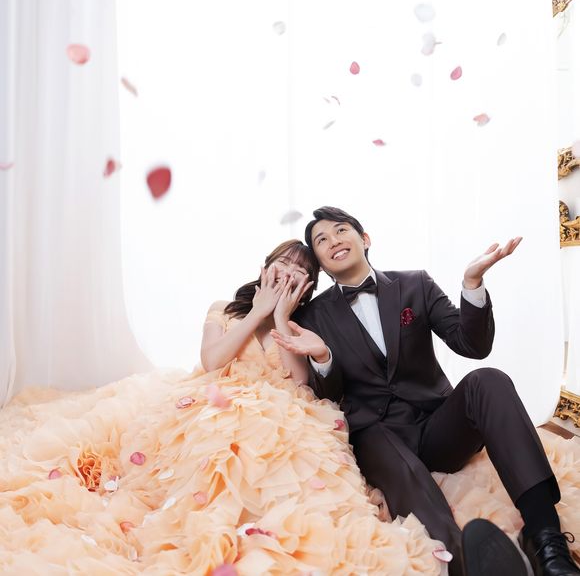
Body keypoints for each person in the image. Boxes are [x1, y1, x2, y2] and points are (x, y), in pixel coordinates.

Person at [0, 239, 453, 574]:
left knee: (286, 463)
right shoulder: (225, 308)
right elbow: (213, 360)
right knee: (215, 455)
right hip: (217, 400)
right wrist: (258, 311)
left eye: (299, 272)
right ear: (264, 268)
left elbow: (301, 384)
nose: (288, 272)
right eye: (282, 263)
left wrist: (281, 319)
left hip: (279, 411)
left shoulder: (304, 323)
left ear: (308, 287)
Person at [272, 207, 580, 576]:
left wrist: (472, 284)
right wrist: (323, 357)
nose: (333, 241)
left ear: (364, 239)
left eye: (340, 230)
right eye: (321, 240)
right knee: (381, 445)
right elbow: (327, 397)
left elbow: (472, 345)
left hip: (438, 429)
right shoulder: (313, 317)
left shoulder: (414, 284)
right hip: (378, 440)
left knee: (489, 379)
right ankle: (465, 565)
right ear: (321, 262)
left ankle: (546, 540)